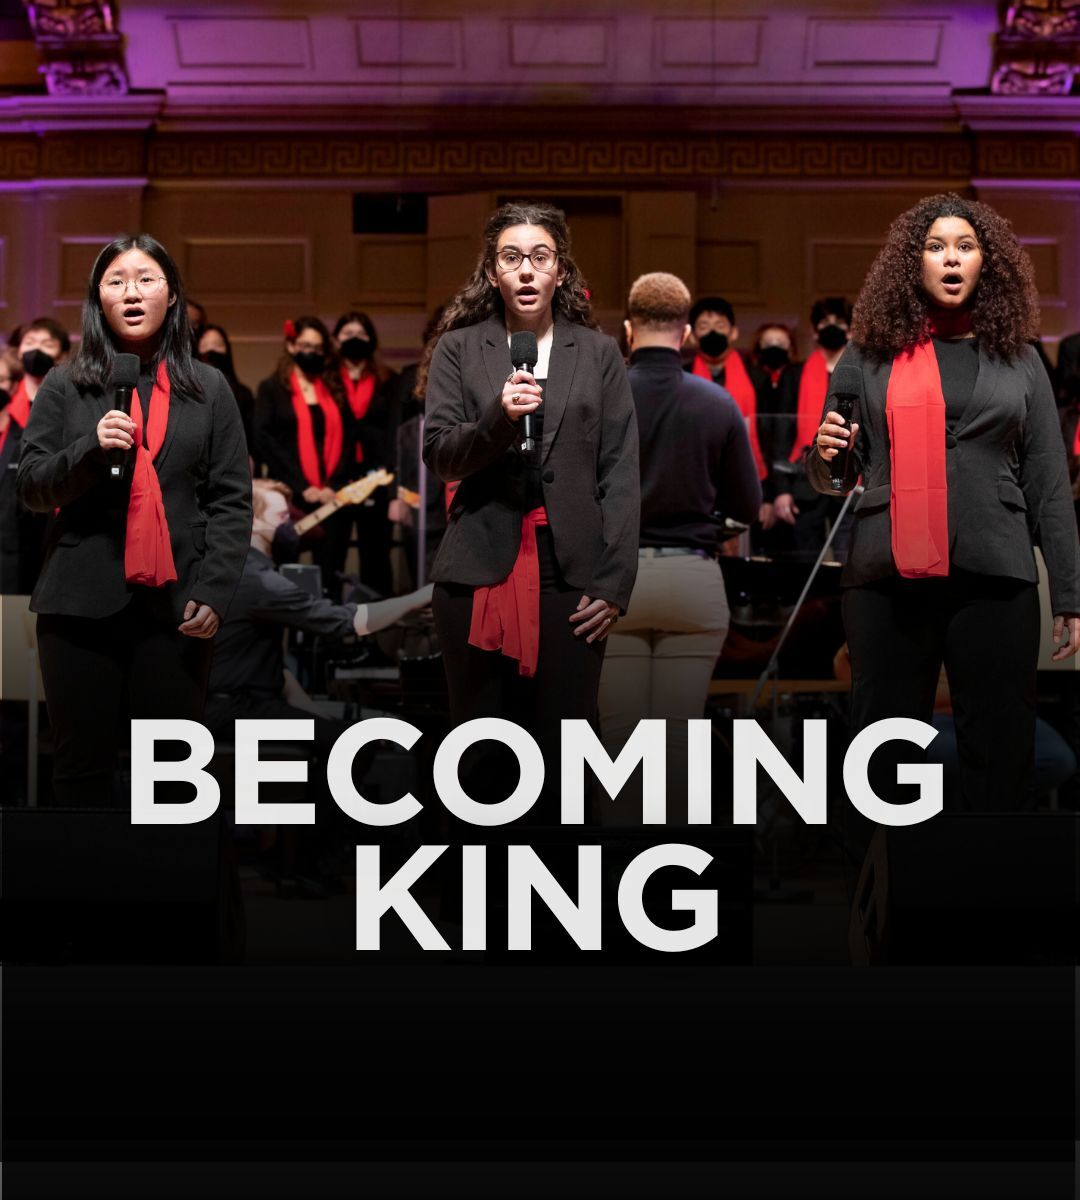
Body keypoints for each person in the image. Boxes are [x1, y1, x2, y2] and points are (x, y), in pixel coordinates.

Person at [809, 193, 1080, 812]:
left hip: (997, 571)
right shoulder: (866, 355)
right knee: (883, 755)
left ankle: (991, 893)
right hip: (886, 575)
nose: (951, 259)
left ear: (989, 262)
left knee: (1001, 748)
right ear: (914, 264)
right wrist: (826, 456)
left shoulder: (1022, 358)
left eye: (965, 246)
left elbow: (1047, 479)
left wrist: (1068, 591)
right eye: (936, 248)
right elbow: (830, 475)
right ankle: (884, 898)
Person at [16, 234, 252, 807]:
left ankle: (165, 897)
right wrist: (88, 452)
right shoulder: (65, 384)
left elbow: (231, 499)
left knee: (172, 777)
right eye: (116, 281)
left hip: (176, 606)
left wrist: (215, 591)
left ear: (171, 297)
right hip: (79, 602)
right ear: (98, 300)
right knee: (80, 771)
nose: (131, 292)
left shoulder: (209, 387)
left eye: (146, 279)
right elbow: (29, 485)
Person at [420, 201, 639, 797]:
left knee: (570, 757)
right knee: (482, 757)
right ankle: (480, 887)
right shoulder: (460, 349)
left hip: (571, 578)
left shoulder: (596, 354)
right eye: (511, 258)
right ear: (492, 272)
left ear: (559, 272)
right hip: (476, 573)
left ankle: (568, 886)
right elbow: (440, 453)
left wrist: (614, 583)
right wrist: (496, 418)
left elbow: (620, 472)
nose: (525, 271)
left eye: (539, 258)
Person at [205, 478, 432, 889]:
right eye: (280, 515)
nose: (290, 523)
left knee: (342, 737)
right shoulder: (258, 579)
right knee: (352, 746)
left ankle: (300, 854)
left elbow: (264, 663)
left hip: (244, 701)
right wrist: (420, 597)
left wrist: (311, 710)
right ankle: (303, 860)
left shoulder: (242, 569)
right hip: (232, 709)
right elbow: (346, 621)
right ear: (254, 524)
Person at [598, 273, 761, 823]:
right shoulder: (717, 404)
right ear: (687, 333)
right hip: (693, 578)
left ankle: (611, 884)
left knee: (617, 744)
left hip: (613, 584)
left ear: (627, 330)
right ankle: (670, 887)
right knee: (676, 739)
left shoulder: (598, 398)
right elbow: (748, 502)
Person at [254, 316, 356, 597]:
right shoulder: (272, 389)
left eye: (318, 348)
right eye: (305, 345)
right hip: (290, 497)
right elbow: (264, 441)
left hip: (331, 499)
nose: (311, 352)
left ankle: (328, 639)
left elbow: (348, 442)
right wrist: (303, 487)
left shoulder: (335, 390)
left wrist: (331, 488)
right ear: (291, 345)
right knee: (284, 578)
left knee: (331, 576)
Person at [768, 298, 853, 557]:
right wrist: (781, 490)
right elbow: (781, 435)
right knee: (805, 566)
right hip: (804, 483)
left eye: (839, 323)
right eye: (825, 323)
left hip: (851, 482)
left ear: (850, 331)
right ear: (815, 332)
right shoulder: (793, 375)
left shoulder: (862, 372)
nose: (832, 328)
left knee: (848, 564)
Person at [1, 318, 71, 593]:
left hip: (52, 517)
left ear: (62, 354)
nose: (36, 350)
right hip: (7, 527)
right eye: (30, 343)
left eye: (46, 344)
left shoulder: (68, 402)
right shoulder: (6, 405)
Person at [332, 310, 396, 595]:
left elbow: (395, 431)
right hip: (337, 478)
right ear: (335, 341)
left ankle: (379, 633)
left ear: (371, 340)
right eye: (347, 335)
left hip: (377, 479)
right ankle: (328, 628)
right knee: (332, 552)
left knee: (376, 555)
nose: (354, 339)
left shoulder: (388, 380)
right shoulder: (325, 380)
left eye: (361, 334)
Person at [685, 295, 769, 502]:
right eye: (704, 326)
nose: (713, 332)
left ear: (733, 332)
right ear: (693, 335)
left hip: (748, 479)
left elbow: (768, 437)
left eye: (720, 325)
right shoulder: (682, 376)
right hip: (695, 481)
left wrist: (769, 496)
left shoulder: (757, 378)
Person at [197, 323, 255, 458]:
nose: (211, 350)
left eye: (217, 345)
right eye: (205, 345)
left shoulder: (243, 393)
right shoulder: (187, 392)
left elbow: (251, 436)